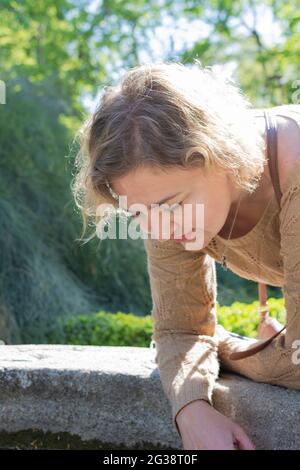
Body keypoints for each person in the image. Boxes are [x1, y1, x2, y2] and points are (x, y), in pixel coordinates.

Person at [71, 61, 300, 450]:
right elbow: (179, 329)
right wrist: (191, 409)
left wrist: (228, 348)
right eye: (138, 213)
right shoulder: (159, 195)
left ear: (220, 155)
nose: (159, 230)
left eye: (171, 206)